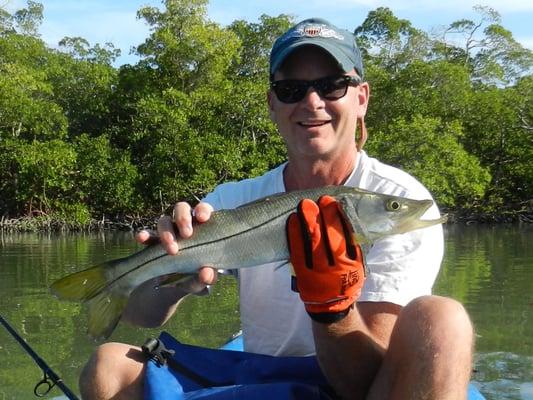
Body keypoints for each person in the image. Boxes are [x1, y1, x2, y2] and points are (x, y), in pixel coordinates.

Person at [79, 18, 474, 400]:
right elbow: (139, 314)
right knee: (108, 366)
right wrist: (172, 280)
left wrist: (331, 309)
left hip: (350, 379)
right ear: (272, 104)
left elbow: (364, 383)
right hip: (262, 376)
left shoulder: (395, 195)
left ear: (362, 98)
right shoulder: (233, 200)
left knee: (442, 321)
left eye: (333, 85)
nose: (312, 102)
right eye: (292, 90)